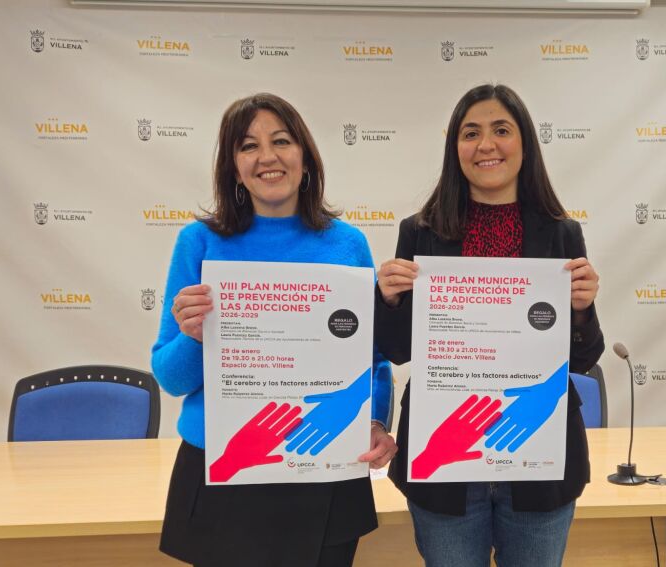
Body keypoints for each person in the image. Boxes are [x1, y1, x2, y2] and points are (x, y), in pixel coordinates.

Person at [152, 93, 397, 567]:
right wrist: (194, 336)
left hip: (324, 464)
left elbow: (373, 360)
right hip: (225, 469)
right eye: (249, 146)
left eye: (281, 141)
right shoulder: (199, 242)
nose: (267, 156)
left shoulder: (347, 244)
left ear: (305, 157)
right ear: (233, 168)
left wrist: (375, 422)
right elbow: (172, 377)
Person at [374, 83, 604, 567]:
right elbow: (398, 351)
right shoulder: (420, 231)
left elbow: (582, 357)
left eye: (501, 130)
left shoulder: (562, 232)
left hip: (537, 451)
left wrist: (582, 309)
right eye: (471, 133)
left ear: (524, 142)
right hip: (446, 455)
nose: (486, 145)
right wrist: (390, 301)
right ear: (455, 147)